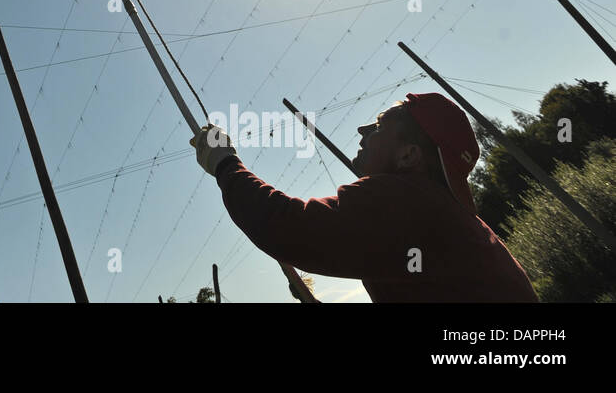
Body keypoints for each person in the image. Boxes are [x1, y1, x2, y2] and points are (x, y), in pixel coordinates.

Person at [189, 92, 538, 302]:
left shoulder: (408, 200)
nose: (363, 130)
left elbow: (288, 227)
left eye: (379, 126)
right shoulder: (450, 217)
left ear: (408, 155)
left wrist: (225, 163)